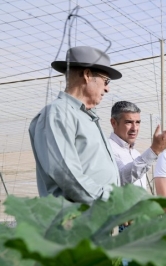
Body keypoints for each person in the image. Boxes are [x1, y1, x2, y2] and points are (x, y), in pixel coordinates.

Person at [29, 46, 124, 205]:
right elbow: (67, 175)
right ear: (87, 75)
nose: (107, 88)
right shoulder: (58, 114)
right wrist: (112, 202)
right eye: (105, 81)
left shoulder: (85, 117)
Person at [109, 101, 166, 188]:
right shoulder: (107, 148)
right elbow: (120, 178)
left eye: (137, 122)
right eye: (129, 122)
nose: (134, 128)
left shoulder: (135, 153)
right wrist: (154, 150)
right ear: (113, 123)